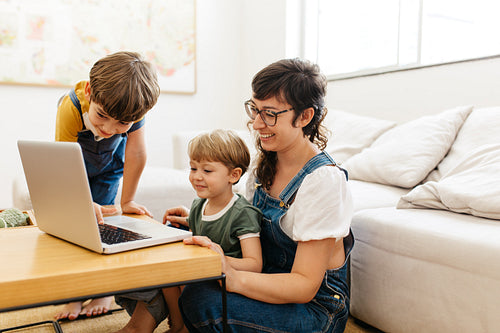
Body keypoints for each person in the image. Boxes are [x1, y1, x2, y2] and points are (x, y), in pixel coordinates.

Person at [178, 58, 354, 332]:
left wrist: (231, 277)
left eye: (270, 114)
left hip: (315, 309)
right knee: (190, 274)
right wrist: (195, 222)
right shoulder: (266, 164)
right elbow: (245, 228)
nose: (257, 124)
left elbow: (304, 286)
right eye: (255, 110)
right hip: (269, 281)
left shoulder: (323, 181)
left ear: (305, 117)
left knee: (202, 300)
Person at [114, 129, 262, 333]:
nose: (197, 177)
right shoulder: (199, 205)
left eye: (207, 171)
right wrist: (186, 220)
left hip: (225, 282)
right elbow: (203, 228)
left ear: (233, 175)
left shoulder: (243, 213)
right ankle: (178, 323)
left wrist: (216, 260)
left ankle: (186, 326)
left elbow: (255, 264)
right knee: (167, 271)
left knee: (187, 281)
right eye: (193, 168)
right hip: (199, 271)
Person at [54, 51, 161, 321]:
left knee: (101, 229)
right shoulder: (71, 107)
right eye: (101, 116)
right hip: (71, 167)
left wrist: (126, 202)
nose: (109, 129)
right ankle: (74, 294)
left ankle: (103, 291)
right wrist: (79, 201)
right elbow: (63, 161)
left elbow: (135, 153)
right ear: (90, 92)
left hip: (108, 169)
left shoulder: (133, 109)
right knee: (72, 226)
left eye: (122, 124)